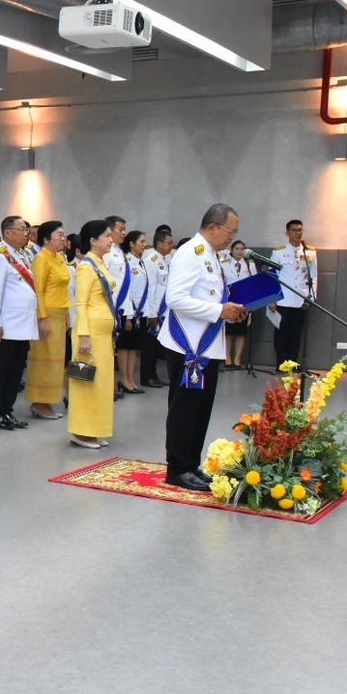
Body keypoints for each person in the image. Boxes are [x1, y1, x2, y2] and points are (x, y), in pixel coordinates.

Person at [160, 203, 248, 491]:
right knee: (184, 409)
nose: (231, 238)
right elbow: (176, 299)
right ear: (213, 226)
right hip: (188, 344)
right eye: (229, 231)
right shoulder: (191, 253)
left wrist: (231, 309)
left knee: (201, 409)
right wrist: (218, 311)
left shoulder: (211, 254)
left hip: (208, 345)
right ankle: (177, 468)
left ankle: (191, 464)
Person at [0, 216, 42, 432]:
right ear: (8, 233)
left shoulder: (22, 256)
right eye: (22, 229)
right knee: (0, 372)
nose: (26, 233)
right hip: (5, 327)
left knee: (15, 372)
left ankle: (8, 410)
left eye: (27, 229)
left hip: (22, 326)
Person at [68, 220, 118, 450]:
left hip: (102, 334)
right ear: (93, 240)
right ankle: (81, 431)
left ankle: (96, 429)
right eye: (106, 236)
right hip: (90, 334)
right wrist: (84, 336)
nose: (111, 239)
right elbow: (81, 303)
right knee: (86, 382)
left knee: (102, 383)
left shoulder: (100, 263)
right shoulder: (87, 267)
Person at [28, 220, 70, 420]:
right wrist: (42, 317)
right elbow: (39, 292)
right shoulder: (41, 259)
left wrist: (68, 314)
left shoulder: (60, 257)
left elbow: (64, 289)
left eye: (63, 235)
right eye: (59, 235)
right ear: (46, 239)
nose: (63, 238)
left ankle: (50, 400)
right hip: (49, 315)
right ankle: (39, 402)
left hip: (61, 314)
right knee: (45, 361)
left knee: (57, 362)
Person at [271, 219, 317, 370]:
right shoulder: (279, 252)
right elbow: (272, 275)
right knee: (281, 333)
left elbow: (314, 276)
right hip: (283, 300)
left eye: (300, 230)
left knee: (295, 334)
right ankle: (281, 364)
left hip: (301, 299)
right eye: (294, 230)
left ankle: (293, 363)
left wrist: (312, 296)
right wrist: (272, 299)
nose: (298, 233)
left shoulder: (309, 251)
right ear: (287, 233)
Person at [116, 230, 152, 396]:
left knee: (134, 347)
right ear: (132, 243)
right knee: (125, 346)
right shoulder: (127, 261)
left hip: (141, 311)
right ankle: (124, 379)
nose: (144, 245)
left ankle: (131, 379)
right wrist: (129, 316)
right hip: (129, 311)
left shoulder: (140, 262)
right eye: (142, 241)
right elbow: (127, 289)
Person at [139, 229, 174, 388]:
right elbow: (151, 287)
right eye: (168, 243)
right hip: (154, 310)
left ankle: (153, 374)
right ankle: (147, 376)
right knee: (149, 346)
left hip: (163, 309)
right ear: (159, 243)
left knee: (155, 345)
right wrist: (151, 313)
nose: (171, 246)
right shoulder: (151, 259)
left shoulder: (164, 259)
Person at [223, 240, 257, 369]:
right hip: (229, 301)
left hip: (244, 302)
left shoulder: (250, 265)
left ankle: (237, 358)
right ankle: (228, 358)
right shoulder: (224, 264)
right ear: (231, 250)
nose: (239, 251)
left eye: (242, 249)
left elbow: (254, 283)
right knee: (229, 331)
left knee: (241, 331)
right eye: (236, 248)